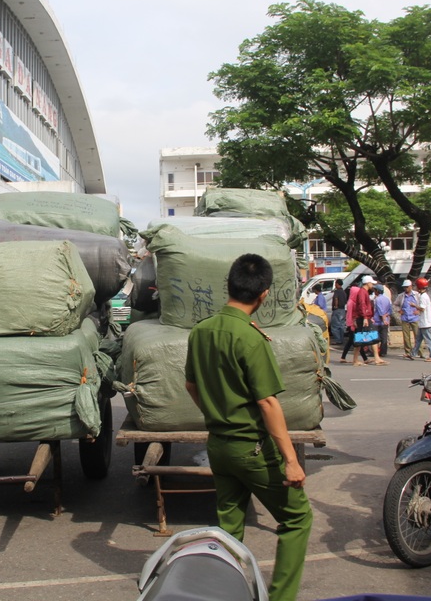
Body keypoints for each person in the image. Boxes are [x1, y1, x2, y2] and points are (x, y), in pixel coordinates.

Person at [184, 254, 312, 601]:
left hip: (219, 446)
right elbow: (268, 403)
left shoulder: (201, 331)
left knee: (229, 528)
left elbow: (191, 387)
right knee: (297, 518)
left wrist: (218, 413)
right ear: (264, 294)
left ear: (228, 284)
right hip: (252, 449)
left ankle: (227, 592)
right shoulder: (251, 338)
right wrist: (291, 459)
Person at [339, 278, 369, 365]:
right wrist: (352, 324)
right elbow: (351, 315)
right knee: (357, 342)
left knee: (353, 341)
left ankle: (344, 357)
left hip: (352, 324)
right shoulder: (352, 303)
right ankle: (362, 359)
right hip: (353, 325)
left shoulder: (351, 301)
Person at [410, 278, 431, 362]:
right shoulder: (423, 296)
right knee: (418, 340)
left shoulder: (423, 297)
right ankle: (413, 354)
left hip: (426, 323)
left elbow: (422, 308)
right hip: (423, 322)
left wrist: (414, 305)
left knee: (428, 340)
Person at [396, 279, 420, 359]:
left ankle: (419, 351)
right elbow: (395, 304)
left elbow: (422, 305)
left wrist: (418, 311)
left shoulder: (417, 295)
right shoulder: (401, 296)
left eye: (407, 287)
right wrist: (399, 310)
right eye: (404, 287)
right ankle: (408, 352)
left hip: (414, 318)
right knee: (406, 337)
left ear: (410, 287)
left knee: (417, 335)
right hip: (405, 317)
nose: (406, 289)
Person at [372, 285, 392, 358]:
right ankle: (383, 352)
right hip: (385, 321)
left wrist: (383, 317)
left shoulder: (377, 299)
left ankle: (375, 351)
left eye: (375, 290)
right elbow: (390, 310)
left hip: (377, 321)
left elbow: (380, 310)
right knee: (384, 337)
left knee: (375, 337)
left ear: (377, 291)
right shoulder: (387, 299)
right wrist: (386, 315)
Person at [329, 279, 347, 346]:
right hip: (342, 310)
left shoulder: (337, 292)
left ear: (337, 284)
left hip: (337, 310)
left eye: (335, 283)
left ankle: (337, 340)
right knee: (341, 325)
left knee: (335, 326)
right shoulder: (343, 292)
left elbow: (336, 299)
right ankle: (341, 339)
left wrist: (335, 306)